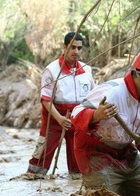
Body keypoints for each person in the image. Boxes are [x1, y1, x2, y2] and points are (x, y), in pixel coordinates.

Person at [71, 47, 140, 196]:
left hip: (124, 152)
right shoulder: (111, 91)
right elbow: (76, 114)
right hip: (94, 151)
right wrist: (97, 115)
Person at [26, 32, 95, 176]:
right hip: (54, 119)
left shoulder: (87, 70)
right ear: (65, 47)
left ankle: (73, 182)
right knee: (41, 159)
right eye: (72, 47)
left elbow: (92, 97)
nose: (76, 52)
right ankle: (33, 183)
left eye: (79, 48)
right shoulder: (51, 70)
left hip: (77, 119)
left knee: (78, 163)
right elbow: (46, 99)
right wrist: (59, 119)